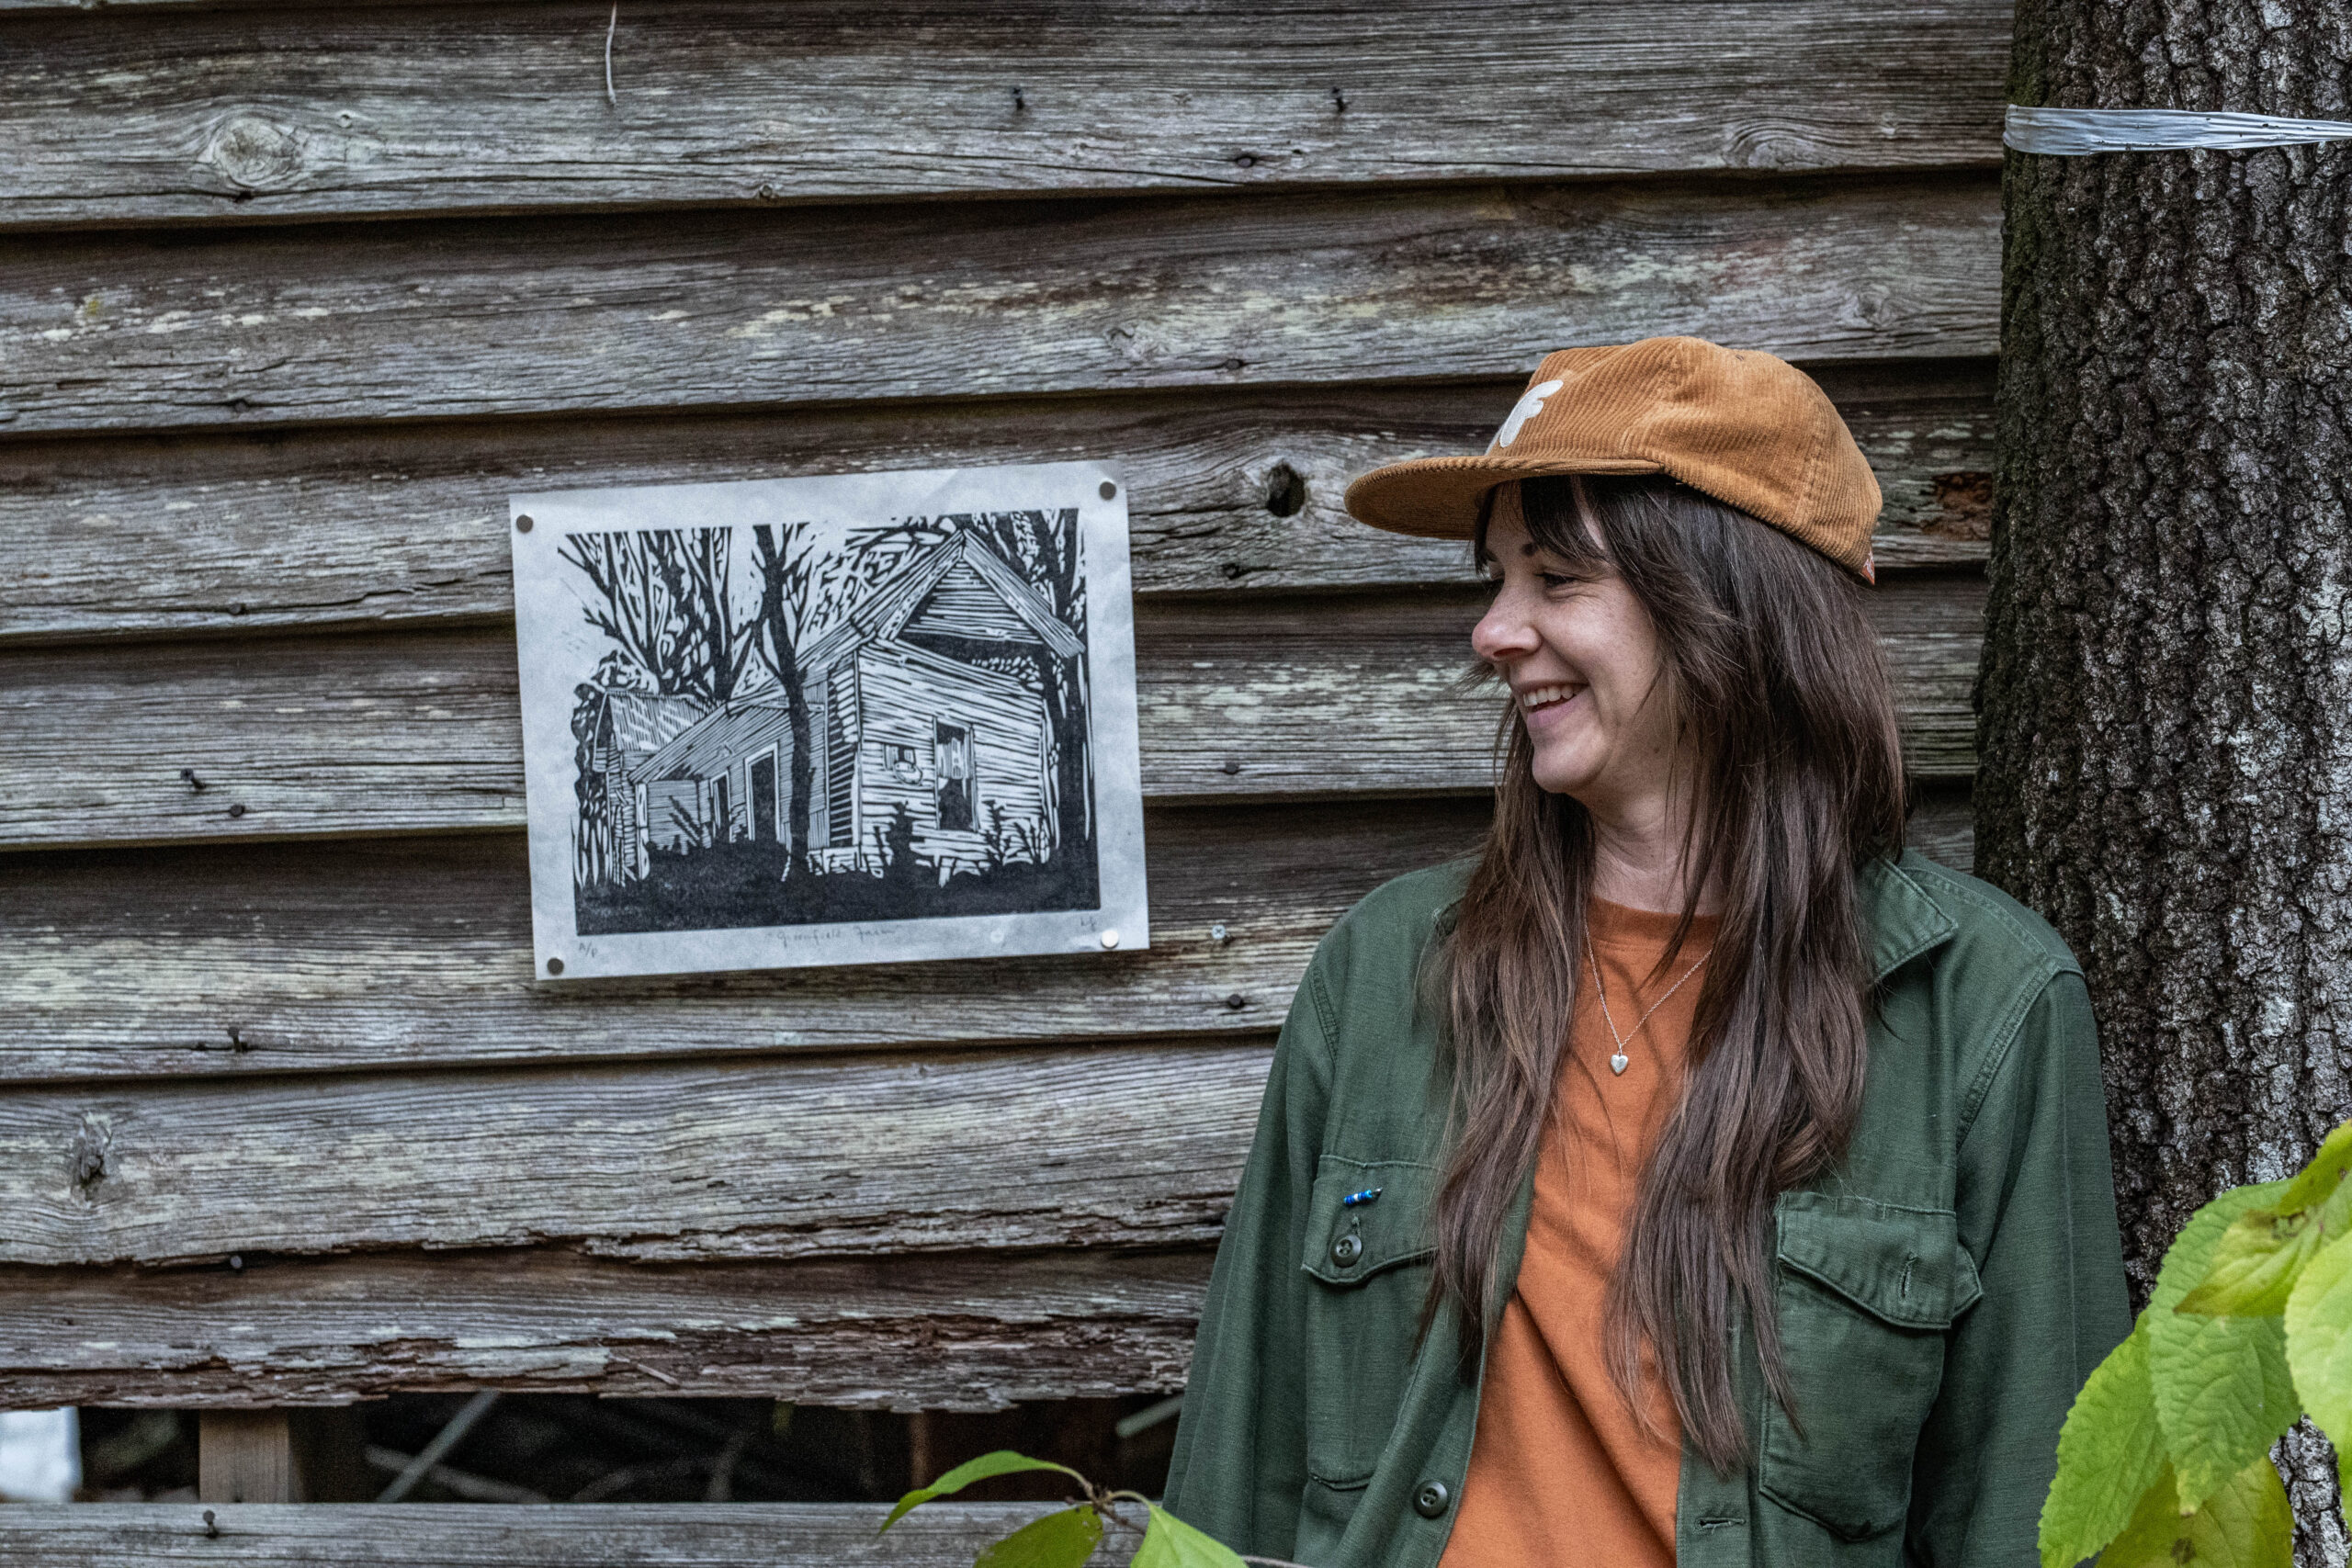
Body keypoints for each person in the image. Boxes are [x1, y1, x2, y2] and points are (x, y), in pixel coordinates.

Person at [1161, 337, 2130, 1567]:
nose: (1493, 632)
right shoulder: (1385, 973)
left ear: (1729, 610)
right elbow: (1236, 1476)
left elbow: (2037, 1513)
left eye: (1557, 579)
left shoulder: (1982, 1006)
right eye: (1499, 579)